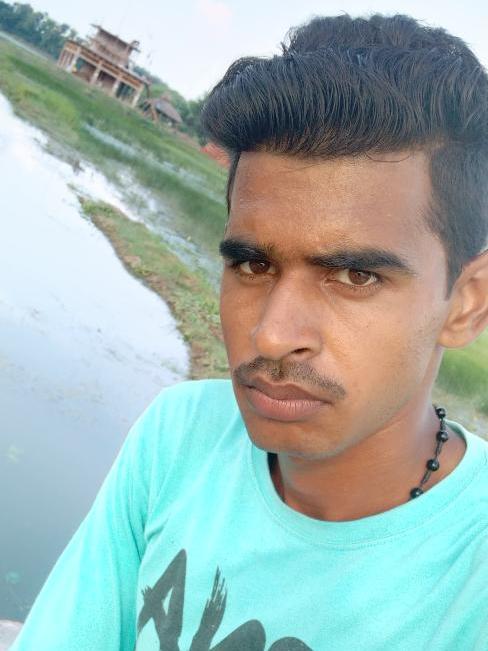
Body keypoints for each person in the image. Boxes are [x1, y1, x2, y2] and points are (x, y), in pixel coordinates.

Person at [11, 13, 488, 651]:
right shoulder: (179, 438)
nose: (270, 335)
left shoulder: (471, 577)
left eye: (354, 276)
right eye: (252, 265)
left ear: (467, 303)